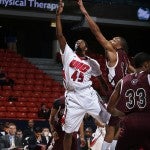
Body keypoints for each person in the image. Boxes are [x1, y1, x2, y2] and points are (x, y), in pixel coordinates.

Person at [77, 0, 135, 149]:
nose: (111, 40)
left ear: (119, 45)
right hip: (126, 93)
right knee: (118, 127)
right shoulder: (125, 57)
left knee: (110, 127)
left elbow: (96, 33)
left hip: (115, 95)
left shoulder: (112, 51)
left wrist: (85, 12)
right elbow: (133, 71)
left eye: (114, 39)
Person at [56, 1, 110, 150]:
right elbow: (59, 34)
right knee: (68, 132)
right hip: (73, 97)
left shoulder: (92, 63)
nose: (78, 42)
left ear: (85, 48)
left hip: (88, 94)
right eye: (77, 41)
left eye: (81, 42)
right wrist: (58, 15)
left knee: (109, 120)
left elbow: (101, 80)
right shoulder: (68, 55)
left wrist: (109, 94)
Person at [107, 52, 150, 150]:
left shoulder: (122, 80)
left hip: (129, 122)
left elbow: (110, 108)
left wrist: (123, 115)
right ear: (146, 64)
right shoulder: (148, 77)